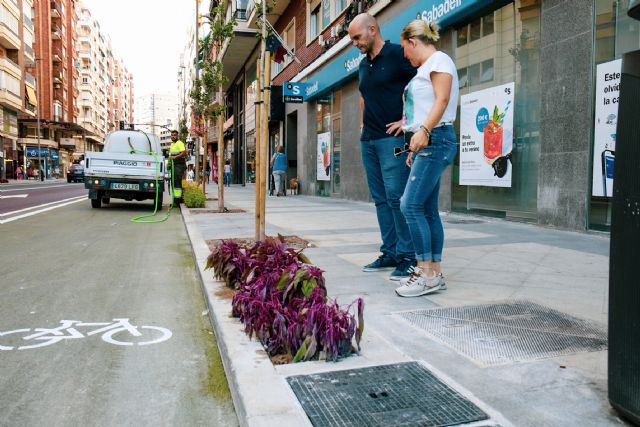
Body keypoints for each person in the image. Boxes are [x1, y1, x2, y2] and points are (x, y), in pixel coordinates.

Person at [391, 20, 459, 297]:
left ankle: (425, 273)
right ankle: (435, 273)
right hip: (428, 141)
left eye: (406, 50)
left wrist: (424, 132)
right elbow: (427, 106)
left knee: (410, 205)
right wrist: (415, 142)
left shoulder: (439, 60)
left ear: (412, 42)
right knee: (427, 209)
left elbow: (441, 101)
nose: (405, 56)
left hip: (436, 138)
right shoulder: (427, 67)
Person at [348, 13, 417, 281]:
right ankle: (390, 252)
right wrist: (362, 128)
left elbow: (421, 85)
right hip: (370, 141)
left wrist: (408, 120)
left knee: (397, 197)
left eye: (357, 37)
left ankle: (408, 256)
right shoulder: (363, 66)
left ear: (373, 29)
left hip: (394, 140)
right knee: (380, 200)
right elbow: (364, 96)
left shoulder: (399, 55)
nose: (354, 42)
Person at [168, 130, 187, 203]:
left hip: (179, 166)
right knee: (173, 182)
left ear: (177, 136)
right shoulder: (172, 144)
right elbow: (171, 155)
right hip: (174, 166)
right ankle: (176, 200)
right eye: (172, 135)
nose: (173, 136)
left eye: (174, 135)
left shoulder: (179, 143)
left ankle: (178, 201)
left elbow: (184, 152)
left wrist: (175, 157)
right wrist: (169, 163)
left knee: (177, 183)